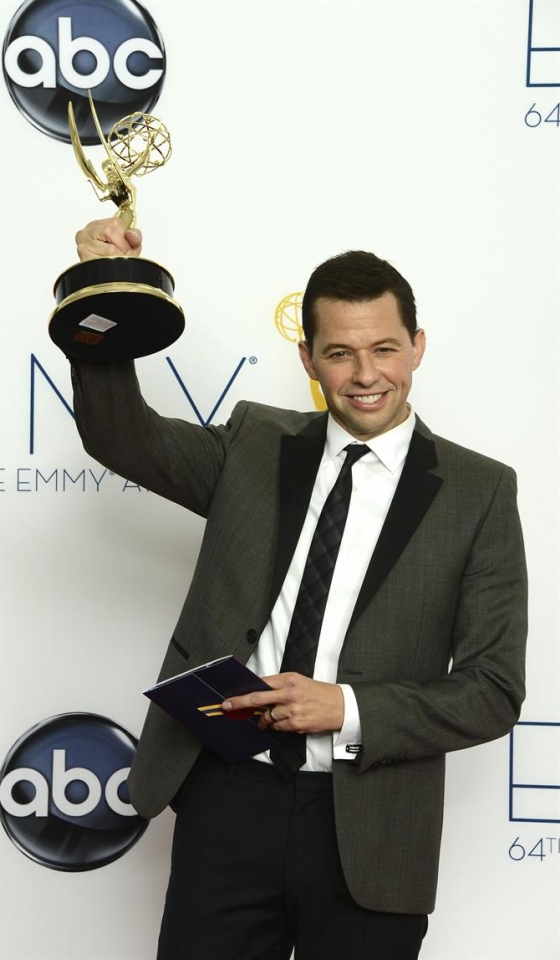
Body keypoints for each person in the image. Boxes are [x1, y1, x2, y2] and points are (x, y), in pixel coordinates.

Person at [70, 218, 528, 960]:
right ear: (307, 357)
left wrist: (344, 707)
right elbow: (121, 437)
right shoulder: (254, 445)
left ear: (417, 345)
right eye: (340, 353)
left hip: (373, 828)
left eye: (384, 348)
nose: (365, 373)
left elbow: (492, 690)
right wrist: (104, 290)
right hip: (227, 802)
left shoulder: (478, 493)